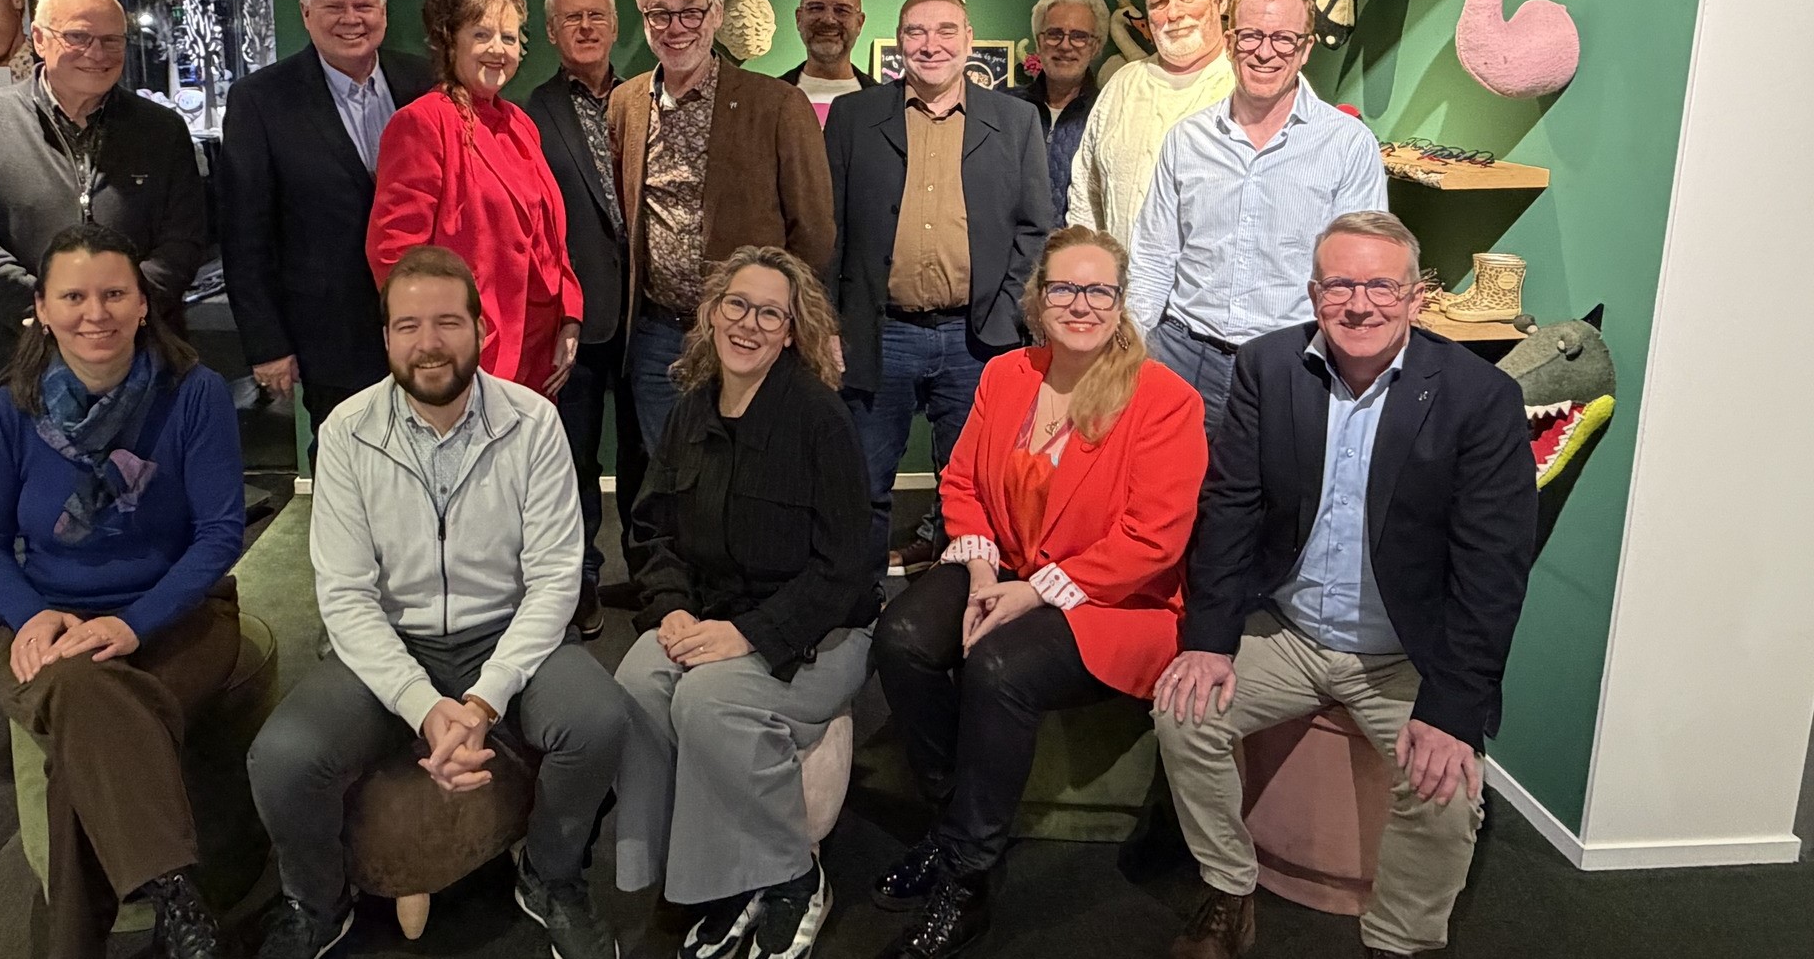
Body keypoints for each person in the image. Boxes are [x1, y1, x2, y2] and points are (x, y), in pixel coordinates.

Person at [1152, 211, 1537, 959]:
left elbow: (1493, 568)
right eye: (1339, 285)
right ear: (1313, 292)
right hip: (1291, 632)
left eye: (1380, 286)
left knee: (1447, 791)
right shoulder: (1267, 367)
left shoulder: (1477, 397)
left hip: (1405, 652)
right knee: (1182, 713)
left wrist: (1453, 708)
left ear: (1416, 298)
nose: (1359, 303)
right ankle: (1230, 889)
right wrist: (1208, 641)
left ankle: (1399, 940)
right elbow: (1230, 509)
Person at [246, 247, 629, 959]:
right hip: (389, 645)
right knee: (282, 757)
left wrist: (483, 702)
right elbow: (346, 597)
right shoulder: (346, 433)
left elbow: (553, 580)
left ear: (480, 328)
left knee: (599, 719)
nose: (429, 343)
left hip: (509, 637)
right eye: (409, 325)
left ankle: (553, 877)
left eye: (449, 321)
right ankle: (316, 902)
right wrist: (424, 706)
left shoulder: (533, 423)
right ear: (385, 336)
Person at [871, 226, 1207, 959]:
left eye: (1099, 291)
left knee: (997, 665)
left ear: (1121, 304)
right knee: (899, 638)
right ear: (1038, 300)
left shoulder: (1164, 400)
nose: (1080, 305)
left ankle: (967, 878)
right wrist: (984, 570)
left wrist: (1036, 594)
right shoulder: (1007, 376)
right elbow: (961, 481)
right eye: (1064, 289)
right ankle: (952, 816)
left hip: (1119, 599)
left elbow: (1156, 540)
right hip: (1008, 564)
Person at [0, 224, 244, 959]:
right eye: (74, 296)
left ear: (143, 305)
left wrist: (134, 624)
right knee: (82, 687)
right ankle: (181, 900)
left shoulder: (196, 395)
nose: (97, 313)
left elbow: (218, 534)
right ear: (41, 310)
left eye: (115, 293)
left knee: (86, 708)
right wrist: (32, 616)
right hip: (44, 625)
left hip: (180, 619)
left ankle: (76, 942)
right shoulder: (1, 414)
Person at [613, 247, 873, 959]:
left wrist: (752, 635)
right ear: (712, 313)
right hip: (708, 618)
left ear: (792, 331)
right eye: (737, 305)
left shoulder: (820, 420)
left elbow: (847, 568)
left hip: (819, 633)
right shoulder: (688, 413)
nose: (749, 324)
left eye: (770, 313)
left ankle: (794, 873)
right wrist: (669, 607)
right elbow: (651, 529)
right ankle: (699, 875)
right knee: (636, 680)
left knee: (708, 700)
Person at [827, 0, 1052, 576]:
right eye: (916, 33)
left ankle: (949, 610)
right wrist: (828, 324)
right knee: (865, 479)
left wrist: (1005, 318)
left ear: (969, 40)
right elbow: (831, 230)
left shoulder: (1016, 120)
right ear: (899, 42)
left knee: (971, 488)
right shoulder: (853, 118)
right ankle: (861, 605)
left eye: (946, 31)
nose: (931, 45)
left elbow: (1035, 229)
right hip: (881, 331)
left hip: (975, 338)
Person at [1127, 0, 1387, 430]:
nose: (1265, 52)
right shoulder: (1187, 140)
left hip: (1292, 361)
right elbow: (1153, 257)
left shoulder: (1348, 145)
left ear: (1305, 49)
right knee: (1177, 497)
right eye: (1251, 36)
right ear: (1230, 42)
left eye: (1284, 39)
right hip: (1184, 359)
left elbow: (1358, 273)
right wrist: (1125, 353)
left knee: (1281, 499)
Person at [609, 0, 834, 454]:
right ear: (645, 21)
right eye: (659, 14)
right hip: (657, 336)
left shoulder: (775, 103)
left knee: (746, 471)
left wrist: (779, 317)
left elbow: (814, 230)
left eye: (690, 11)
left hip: (747, 331)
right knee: (668, 475)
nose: (676, 28)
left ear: (715, 16)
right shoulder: (625, 103)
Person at [0, 0, 207, 380]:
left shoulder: (162, 130)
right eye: (78, 37)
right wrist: (46, 312)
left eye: (112, 41)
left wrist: (123, 312)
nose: (97, 54)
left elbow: (185, 236)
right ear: (39, 39)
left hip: (145, 355)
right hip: (26, 355)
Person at [219, 0, 433, 440]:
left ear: (383, 12)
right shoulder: (259, 100)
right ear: (306, 14)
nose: (351, 20)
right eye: (335, 8)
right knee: (348, 462)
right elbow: (244, 232)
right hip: (327, 333)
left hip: (423, 319)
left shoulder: (425, 81)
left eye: (363, 6)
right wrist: (267, 344)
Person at [366, 0, 583, 393]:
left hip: (539, 355)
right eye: (482, 34)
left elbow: (550, 241)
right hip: (467, 356)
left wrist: (569, 317)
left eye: (509, 36)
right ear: (451, 42)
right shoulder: (422, 123)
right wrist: (433, 346)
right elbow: (395, 254)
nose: (498, 49)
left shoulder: (521, 124)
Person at [526, 0, 647, 635]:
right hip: (570, 319)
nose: (585, 28)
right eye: (571, 18)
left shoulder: (648, 98)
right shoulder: (529, 114)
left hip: (648, 316)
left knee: (648, 457)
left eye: (597, 16)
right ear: (550, 32)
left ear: (615, 26)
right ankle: (579, 584)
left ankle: (648, 574)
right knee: (571, 462)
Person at [1067, 0, 1237, 247]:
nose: (1173, 13)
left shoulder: (1246, 88)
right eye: (1159, 2)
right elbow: (1085, 197)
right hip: (1123, 291)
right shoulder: (1122, 87)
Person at [1003, 0, 1107, 226]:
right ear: (1039, 42)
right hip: (1011, 258)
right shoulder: (1005, 108)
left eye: (1079, 36)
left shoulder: (1109, 114)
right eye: (1054, 34)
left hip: (1078, 257)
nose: (1065, 45)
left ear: (1096, 47)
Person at [779, 0, 876, 127]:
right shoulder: (769, 99)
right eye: (816, 8)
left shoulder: (884, 106)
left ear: (859, 23)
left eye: (842, 10)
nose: (828, 19)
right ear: (798, 18)